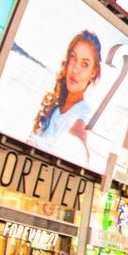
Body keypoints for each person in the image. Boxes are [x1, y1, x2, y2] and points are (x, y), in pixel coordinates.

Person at [30, 31, 103, 163]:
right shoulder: (55, 104)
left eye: (85, 64)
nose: (75, 69)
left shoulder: (84, 112)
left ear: (93, 72)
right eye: (73, 57)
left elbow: (79, 133)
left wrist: (76, 142)